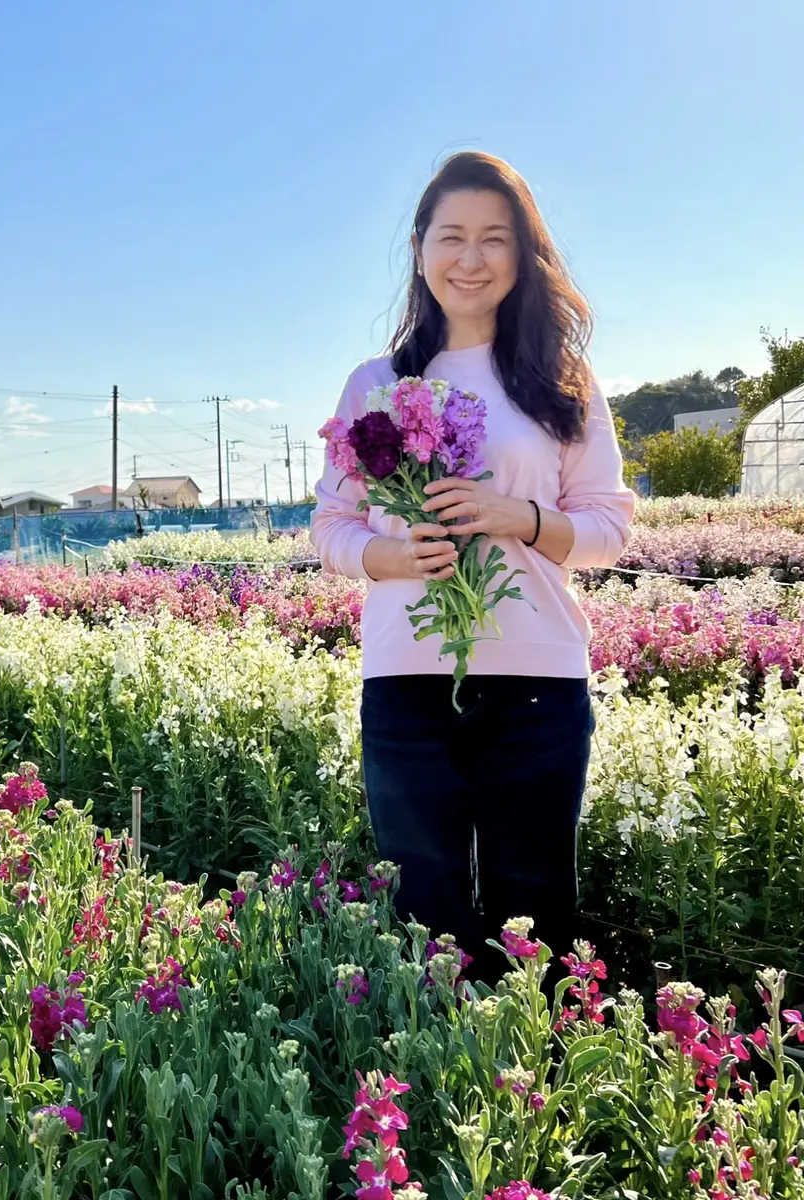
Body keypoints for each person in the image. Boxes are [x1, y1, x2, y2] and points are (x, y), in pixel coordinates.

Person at [310, 151, 634, 978]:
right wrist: (393, 555)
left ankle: (528, 1062)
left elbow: (608, 528)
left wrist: (519, 517)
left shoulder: (561, 381)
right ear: (420, 248)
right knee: (428, 926)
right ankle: (443, 1065)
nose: (471, 257)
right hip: (407, 684)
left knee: (537, 922)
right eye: (451, 236)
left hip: (538, 687)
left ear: (523, 254)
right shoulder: (376, 384)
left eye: (495, 238)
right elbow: (332, 527)